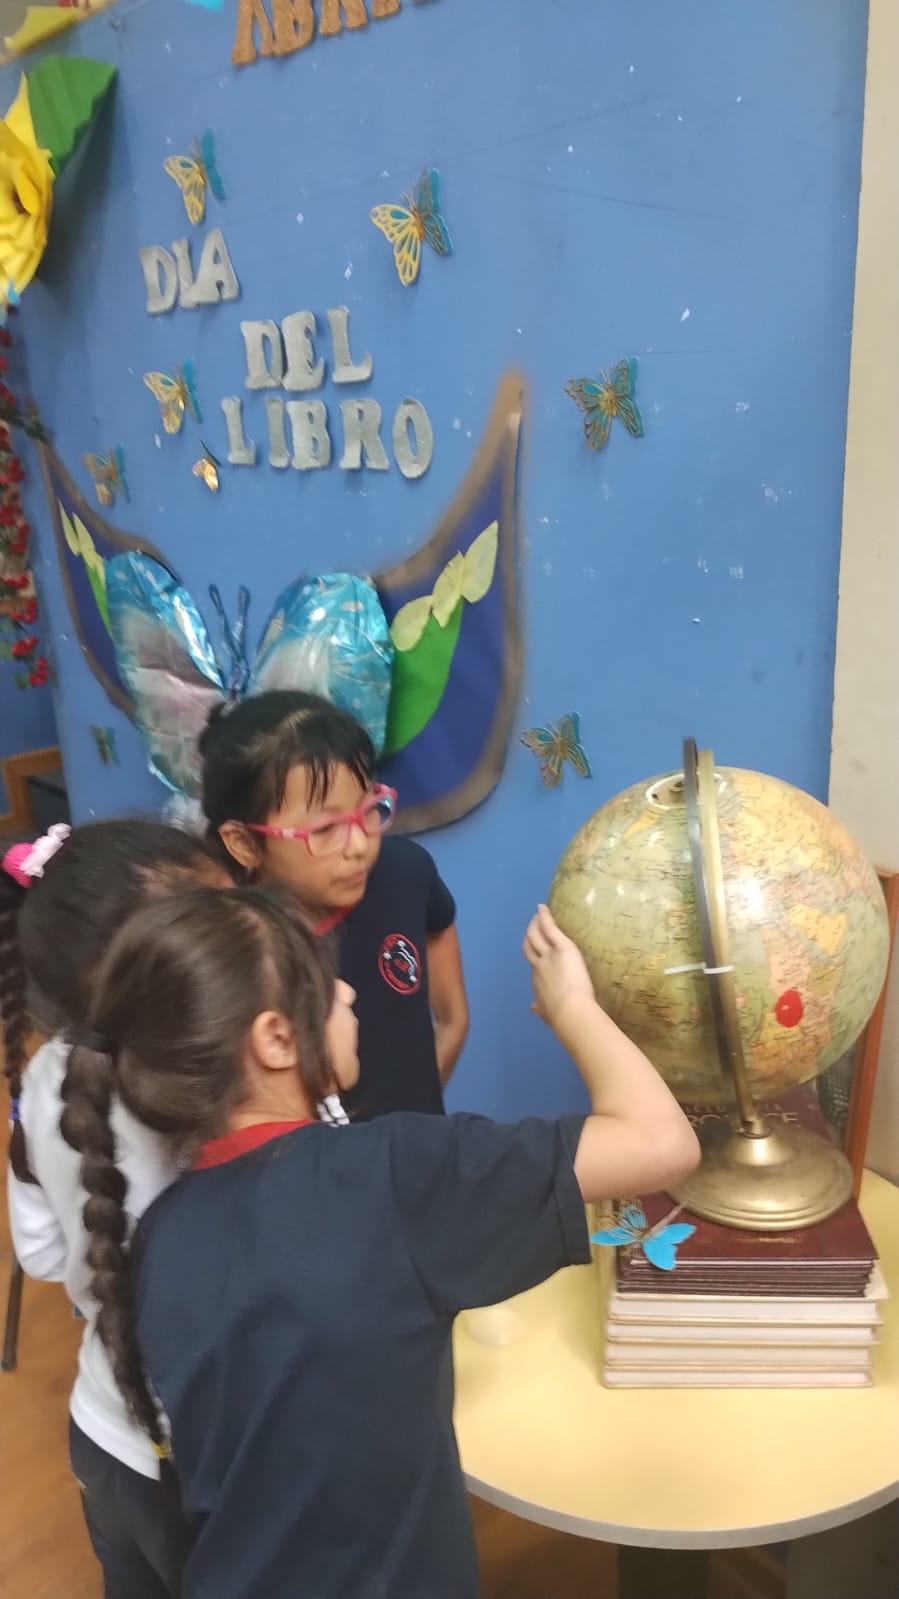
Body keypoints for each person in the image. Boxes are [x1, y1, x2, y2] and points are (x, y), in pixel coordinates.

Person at [61, 883, 700, 1599]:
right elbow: (662, 1142)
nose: (346, 992)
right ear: (276, 1039)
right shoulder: (393, 1174)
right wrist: (573, 1006)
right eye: (323, 982)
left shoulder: (159, 1233)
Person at [0, 820, 231, 1599]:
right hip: (208, 1460)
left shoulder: (44, 1079)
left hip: (103, 1434)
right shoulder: (219, 1102)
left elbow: (41, 1254)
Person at [200, 689, 469, 1118]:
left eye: (368, 809)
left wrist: (412, 1131)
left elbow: (453, 1018)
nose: (359, 845)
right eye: (325, 830)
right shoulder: (227, 956)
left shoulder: (404, 872)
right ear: (244, 843)